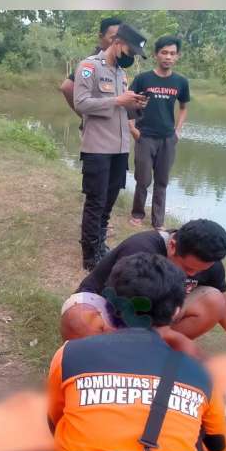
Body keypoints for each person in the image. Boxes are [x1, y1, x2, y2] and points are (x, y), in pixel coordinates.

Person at [47, 252, 226, 451]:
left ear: (110, 304)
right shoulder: (201, 374)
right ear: (177, 311)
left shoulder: (70, 354)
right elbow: (217, 443)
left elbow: (55, 418)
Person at [60, 219, 226, 363]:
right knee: (79, 319)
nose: (192, 274)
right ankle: (120, 356)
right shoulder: (141, 247)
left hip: (154, 315)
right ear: (173, 246)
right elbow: (118, 304)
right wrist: (165, 334)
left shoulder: (208, 264)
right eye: (187, 269)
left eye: (199, 271)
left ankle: (148, 354)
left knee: (215, 301)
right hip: (108, 305)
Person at [73, 22, 148, 270]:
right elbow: (82, 103)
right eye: (131, 52)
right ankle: (89, 255)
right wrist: (117, 100)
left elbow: (120, 107)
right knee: (95, 202)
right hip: (97, 147)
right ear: (118, 43)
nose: (132, 58)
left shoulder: (121, 74)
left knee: (109, 201)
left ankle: (100, 245)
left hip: (119, 148)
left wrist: (134, 104)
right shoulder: (89, 67)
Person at [128, 35, 190, 229]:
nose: (168, 57)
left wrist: (177, 131)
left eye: (172, 53)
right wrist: (132, 128)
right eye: (164, 52)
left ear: (177, 56)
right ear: (156, 55)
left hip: (167, 139)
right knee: (143, 179)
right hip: (145, 136)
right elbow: (129, 103)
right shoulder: (143, 79)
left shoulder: (180, 82)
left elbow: (183, 107)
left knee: (162, 181)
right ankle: (137, 214)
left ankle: (158, 222)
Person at [58, 16, 122, 120]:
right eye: (113, 38)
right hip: (96, 130)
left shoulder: (117, 62)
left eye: (120, 38)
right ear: (101, 37)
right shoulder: (92, 62)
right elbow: (67, 87)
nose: (117, 43)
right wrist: (84, 117)